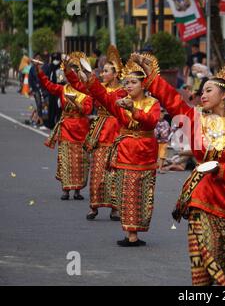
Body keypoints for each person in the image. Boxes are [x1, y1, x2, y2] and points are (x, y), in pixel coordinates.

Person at [139, 57, 225, 286]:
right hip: (202, 196)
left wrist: (221, 169)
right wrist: (153, 78)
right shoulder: (194, 119)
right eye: (202, 91)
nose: (203, 95)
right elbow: (172, 101)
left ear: (223, 95)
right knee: (203, 256)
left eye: (209, 90)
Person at [68, 54, 161, 247]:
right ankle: (130, 234)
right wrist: (89, 76)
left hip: (145, 153)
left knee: (142, 194)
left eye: (133, 82)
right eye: (126, 83)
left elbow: (151, 121)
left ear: (143, 85)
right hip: (125, 151)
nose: (128, 86)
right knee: (125, 191)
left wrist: (134, 110)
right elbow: (100, 95)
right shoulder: (119, 102)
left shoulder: (153, 104)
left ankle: (135, 231)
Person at [72, 45, 126, 221]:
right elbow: (80, 86)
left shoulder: (123, 92)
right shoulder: (99, 87)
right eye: (102, 71)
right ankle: (94, 206)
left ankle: (115, 208)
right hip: (100, 132)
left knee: (115, 173)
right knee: (97, 173)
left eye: (106, 71)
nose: (102, 74)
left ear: (116, 74)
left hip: (116, 131)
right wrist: (70, 72)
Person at [34, 52, 93, 201]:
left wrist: (78, 105)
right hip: (66, 128)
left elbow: (87, 110)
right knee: (66, 159)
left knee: (81, 161)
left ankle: (77, 190)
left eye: (75, 72)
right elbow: (47, 85)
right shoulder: (63, 89)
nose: (71, 75)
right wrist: (39, 71)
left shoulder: (87, 92)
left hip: (82, 130)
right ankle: (66, 189)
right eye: (70, 71)